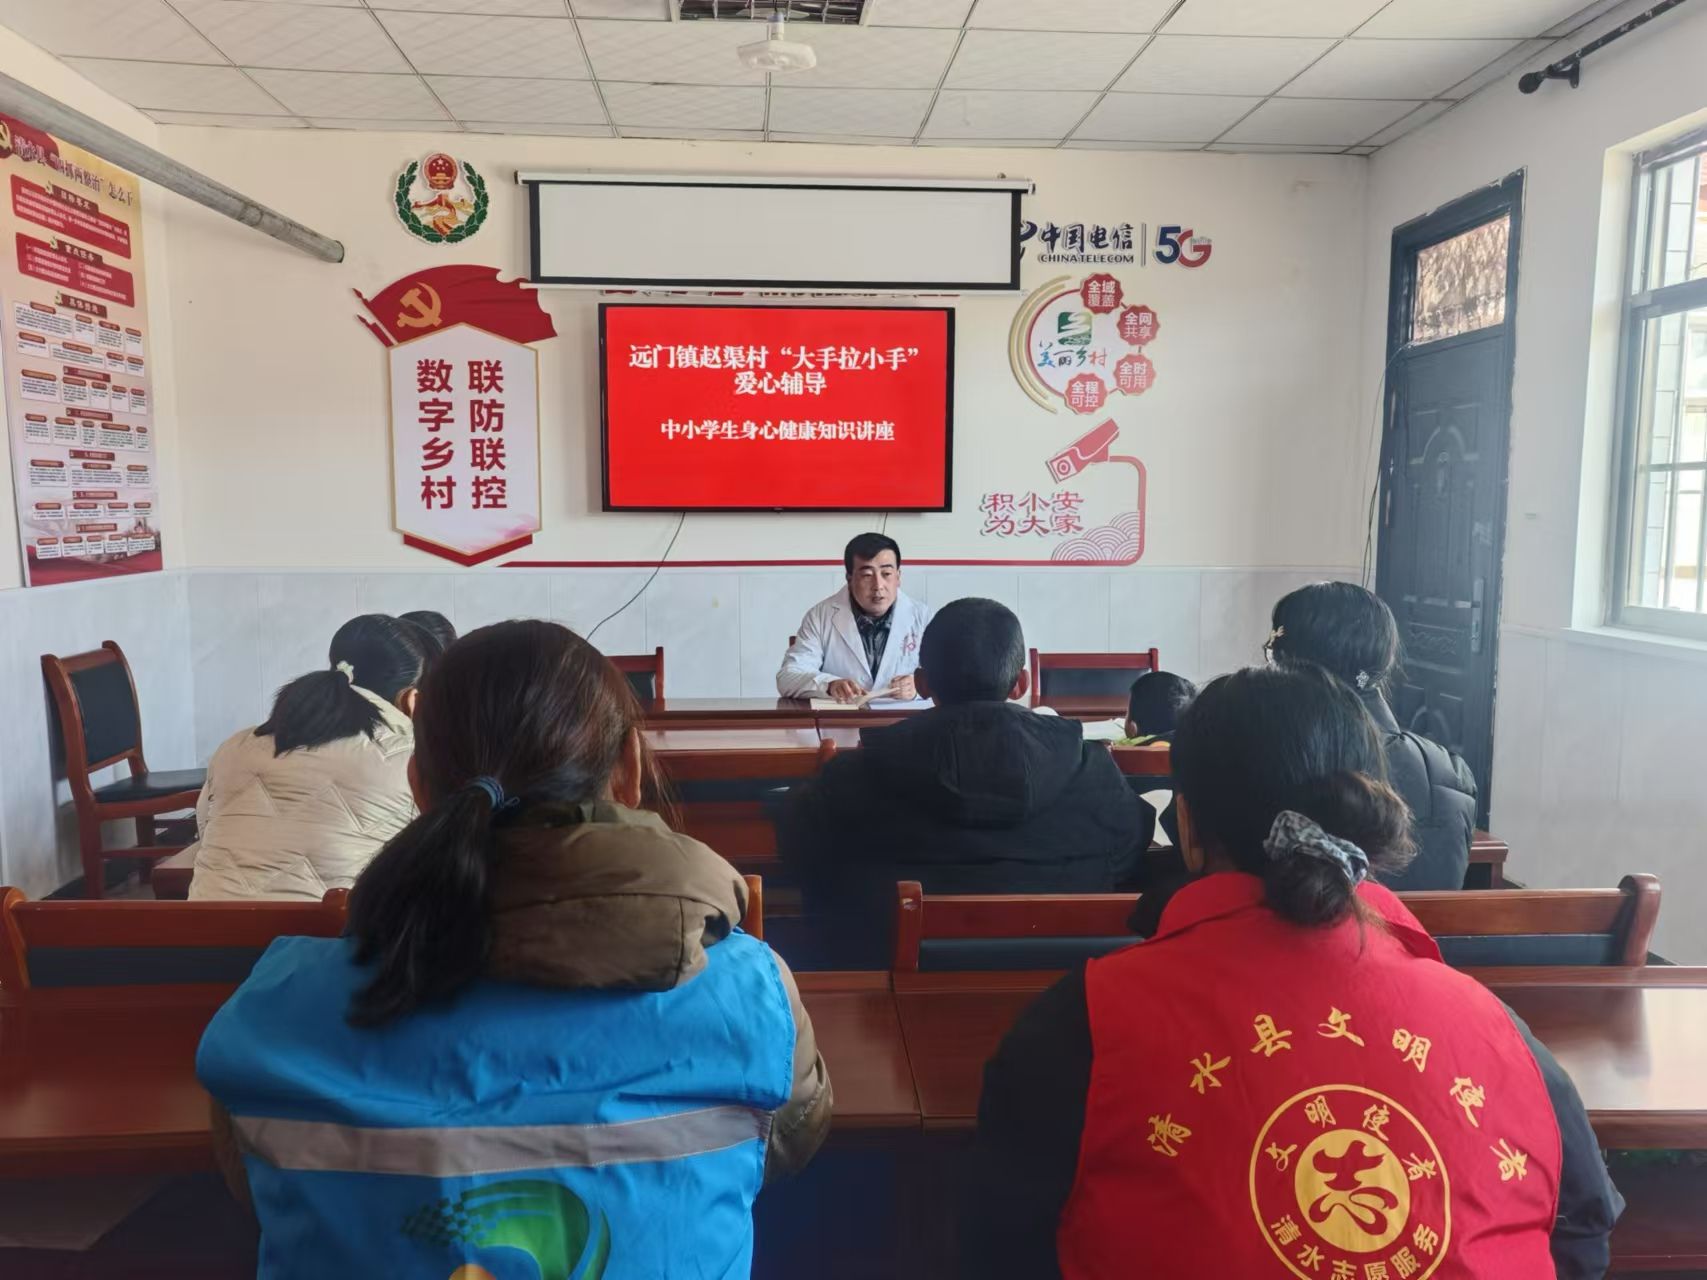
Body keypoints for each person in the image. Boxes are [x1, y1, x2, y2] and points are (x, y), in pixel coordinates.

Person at [197, 620, 831, 1279]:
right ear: (629, 773)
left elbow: (254, 1186)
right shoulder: (750, 992)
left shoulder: (272, 1011)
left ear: (417, 785)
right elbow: (787, 1146)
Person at [961, 665, 1621, 1280]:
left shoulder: (1085, 1021)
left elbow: (1000, 1245)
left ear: (1187, 826)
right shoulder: (1493, 1025)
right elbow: (1582, 1225)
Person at [779, 598, 1145, 967]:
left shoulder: (857, 775)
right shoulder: (1091, 770)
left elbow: (803, 851)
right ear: (1020, 684)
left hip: (892, 984)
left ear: (922, 683)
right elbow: (1129, 850)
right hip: (1065, 981)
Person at [187, 614, 426, 901]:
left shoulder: (235, 747)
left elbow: (205, 829)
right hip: (335, 928)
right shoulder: (412, 756)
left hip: (207, 925)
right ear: (411, 699)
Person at [1268, 582, 1477, 891]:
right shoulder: (1450, 771)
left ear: (1287, 662)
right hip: (1421, 924)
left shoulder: (1271, 757)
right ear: (1385, 660)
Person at [777, 532, 933, 703]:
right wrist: (829, 685)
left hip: (904, 718)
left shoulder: (922, 616)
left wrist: (919, 687)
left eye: (886, 573)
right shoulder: (820, 616)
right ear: (849, 578)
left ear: (898, 576)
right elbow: (788, 678)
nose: (878, 586)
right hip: (842, 718)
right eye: (867, 575)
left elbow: (948, 675)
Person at [1120, 669, 1197, 852]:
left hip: (1136, 845)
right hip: (1179, 845)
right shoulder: (1194, 748)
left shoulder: (1125, 754)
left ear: (1133, 727)